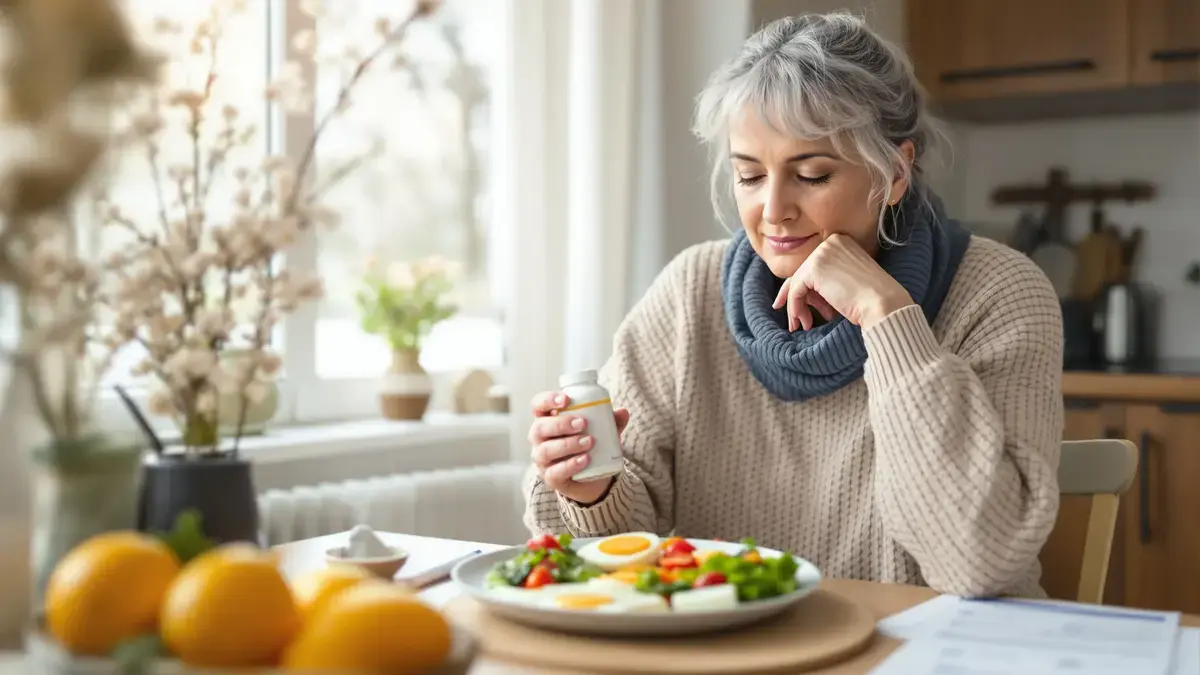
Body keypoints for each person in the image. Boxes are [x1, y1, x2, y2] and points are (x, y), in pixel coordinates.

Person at [522, 12, 1062, 598]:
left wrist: (890, 319)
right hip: (742, 649)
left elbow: (980, 564)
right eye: (750, 176)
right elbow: (614, 558)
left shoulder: (996, 290)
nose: (773, 210)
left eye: (811, 174)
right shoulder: (690, 292)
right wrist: (591, 492)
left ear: (896, 172)